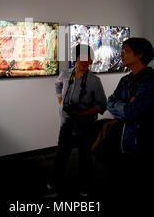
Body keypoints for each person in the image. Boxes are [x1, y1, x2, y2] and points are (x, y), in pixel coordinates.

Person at [47, 44, 107, 197]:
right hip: (66, 123)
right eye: (83, 58)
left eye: (89, 59)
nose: (86, 62)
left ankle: (85, 187)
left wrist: (83, 113)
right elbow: (57, 85)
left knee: (85, 157)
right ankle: (54, 185)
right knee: (61, 155)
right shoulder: (66, 74)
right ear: (76, 58)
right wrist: (61, 102)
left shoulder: (95, 81)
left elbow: (102, 105)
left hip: (86, 126)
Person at [107, 37, 154, 190]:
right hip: (124, 140)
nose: (121, 54)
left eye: (126, 51)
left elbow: (131, 113)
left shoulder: (153, 81)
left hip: (146, 144)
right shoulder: (125, 80)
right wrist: (125, 106)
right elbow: (109, 103)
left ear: (139, 54)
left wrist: (122, 107)